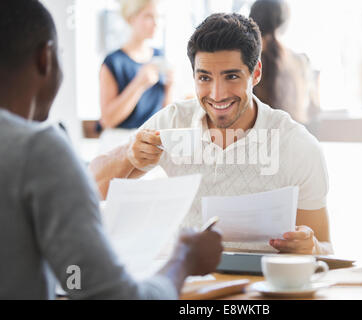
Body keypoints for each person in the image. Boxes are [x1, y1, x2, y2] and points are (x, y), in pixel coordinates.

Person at [0, 0, 222, 300]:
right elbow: (109, 295)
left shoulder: (160, 61)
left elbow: (74, 276)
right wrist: (183, 258)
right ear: (46, 58)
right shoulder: (38, 150)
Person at [89, 13, 333, 255]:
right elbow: (90, 187)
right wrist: (127, 154)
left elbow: (325, 247)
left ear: (255, 73)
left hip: (262, 286)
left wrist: (311, 247)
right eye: (204, 77)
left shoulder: (297, 145)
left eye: (231, 76)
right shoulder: (174, 121)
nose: (217, 94)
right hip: (187, 281)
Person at [97, 0, 173, 149]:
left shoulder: (160, 57)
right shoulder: (113, 62)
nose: (156, 23)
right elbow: (108, 120)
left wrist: (170, 87)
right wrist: (139, 84)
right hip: (119, 143)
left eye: (158, 17)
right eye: (149, 16)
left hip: (153, 142)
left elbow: (166, 116)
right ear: (132, 19)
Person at [249, 0, 320, 124]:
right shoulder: (300, 62)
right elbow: (314, 110)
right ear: (284, 23)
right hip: (295, 136)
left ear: (252, 19)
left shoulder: (246, 61)